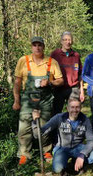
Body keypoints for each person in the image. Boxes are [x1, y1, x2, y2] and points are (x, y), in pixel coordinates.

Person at [13, 36, 64, 165]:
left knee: (45, 127)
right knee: (24, 128)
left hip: (45, 100)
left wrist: (50, 82)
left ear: (43, 47)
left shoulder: (52, 62)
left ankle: (46, 150)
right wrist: (16, 101)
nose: (37, 47)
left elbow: (61, 80)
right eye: (34, 45)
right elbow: (17, 82)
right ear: (31, 47)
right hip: (27, 101)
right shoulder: (23, 61)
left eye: (39, 45)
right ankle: (24, 154)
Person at [32, 98, 93, 174]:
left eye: (77, 107)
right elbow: (38, 135)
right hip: (62, 148)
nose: (75, 110)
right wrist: (35, 122)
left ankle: (76, 162)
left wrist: (82, 154)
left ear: (81, 108)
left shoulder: (85, 120)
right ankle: (68, 166)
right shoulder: (59, 118)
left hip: (78, 147)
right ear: (67, 108)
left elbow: (91, 140)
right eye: (72, 107)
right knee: (57, 169)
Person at [50, 31, 84, 115]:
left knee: (75, 112)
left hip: (73, 89)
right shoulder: (55, 54)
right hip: (58, 89)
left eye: (69, 40)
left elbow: (80, 74)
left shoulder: (76, 55)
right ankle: (57, 128)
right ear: (61, 41)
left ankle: (74, 128)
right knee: (56, 113)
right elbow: (49, 72)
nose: (67, 42)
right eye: (65, 39)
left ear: (72, 41)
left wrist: (82, 91)